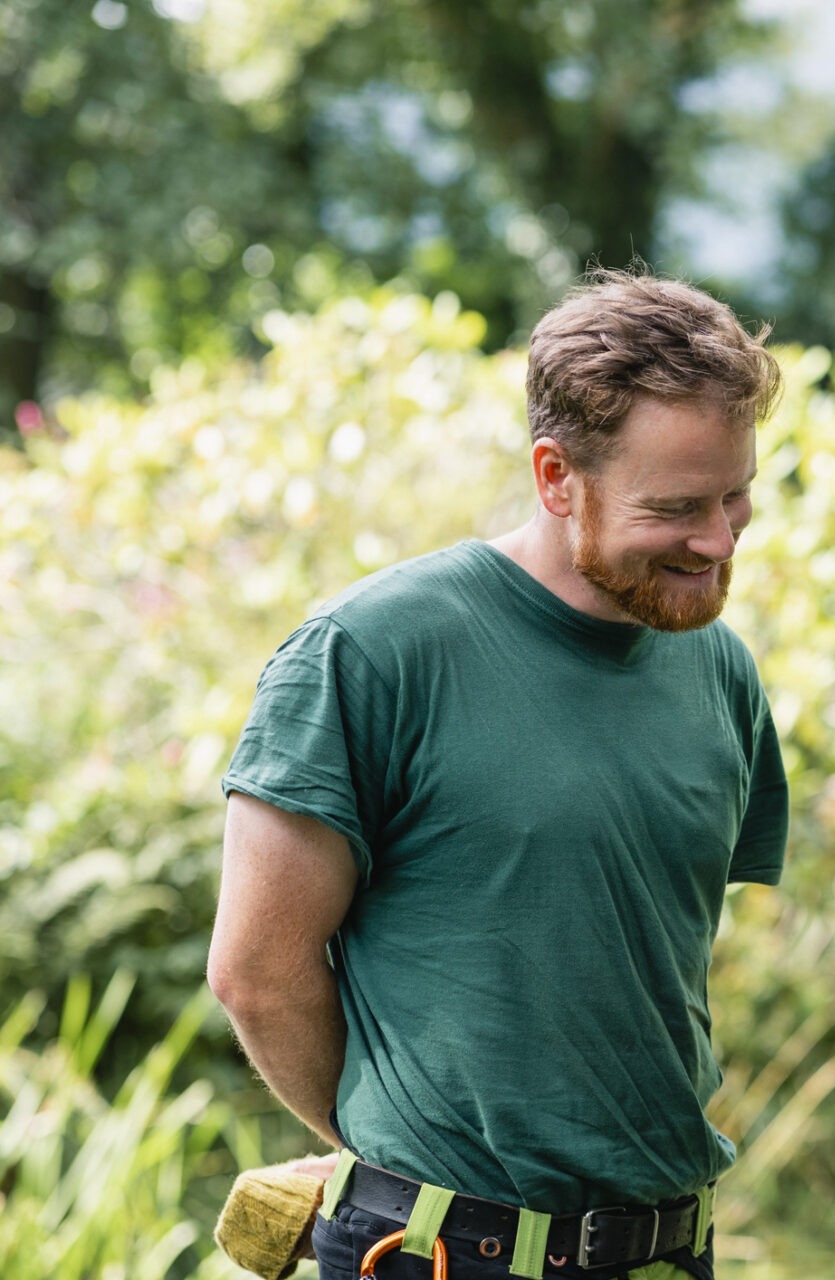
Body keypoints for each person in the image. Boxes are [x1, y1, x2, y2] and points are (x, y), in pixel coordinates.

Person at [207, 269, 789, 1280]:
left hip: (668, 1247)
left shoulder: (719, 667)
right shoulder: (371, 652)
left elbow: (633, 954)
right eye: (679, 506)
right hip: (433, 1250)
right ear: (557, 476)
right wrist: (399, 1158)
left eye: (737, 495)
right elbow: (257, 970)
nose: (720, 538)